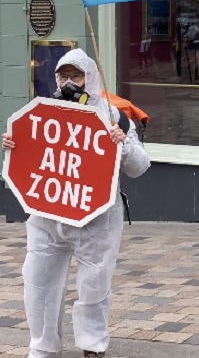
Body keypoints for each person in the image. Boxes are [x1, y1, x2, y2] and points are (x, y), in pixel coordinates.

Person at [2, 49, 151, 358]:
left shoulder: (113, 114)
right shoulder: (43, 111)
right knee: (38, 282)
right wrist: (14, 145)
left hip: (97, 218)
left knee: (94, 285)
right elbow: (31, 161)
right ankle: (42, 347)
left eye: (77, 75)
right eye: (63, 75)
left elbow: (140, 166)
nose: (70, 82)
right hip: (47, 215)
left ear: (90, 76)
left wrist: (121, 143)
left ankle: (92, 345)